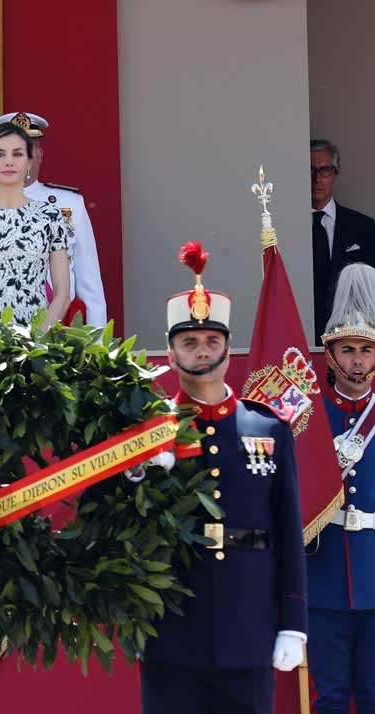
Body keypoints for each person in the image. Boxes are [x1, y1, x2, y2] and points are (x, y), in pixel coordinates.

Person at [139, 246, 307, 714]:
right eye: (189, 343)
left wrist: (293, 621)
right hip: (171, 629)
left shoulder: (268, 427)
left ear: (228, 348)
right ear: (170, 352)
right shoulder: (150, 431)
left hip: (248, 625)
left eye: (211, 341)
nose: (202, 351)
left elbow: (288, 530)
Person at [0, 111, 107, 342]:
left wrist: (96, 345)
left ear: (36, 156)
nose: (10, 161)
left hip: (54, 336)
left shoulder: (66, 205)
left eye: (21, 151)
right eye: (0, 153)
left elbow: (89, 282)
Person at [307, 262, 375, 714]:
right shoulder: (307, 418)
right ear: (330, 353)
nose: (357, 360)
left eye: (367, 350)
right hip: (323, 580)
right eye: (347, 348)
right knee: (330, 700)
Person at [311, 139, 375, 342]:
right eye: (310, 170)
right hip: (300, 330)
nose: (317, 178)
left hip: (351, 334)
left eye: (325, 170)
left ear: (335, 174)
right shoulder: (286, 228)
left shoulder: (363, 227)